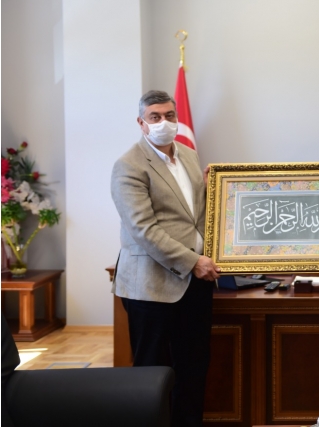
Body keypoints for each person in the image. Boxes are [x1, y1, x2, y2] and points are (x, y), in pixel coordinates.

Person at [111, 90, 220, 426]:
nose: (164, 122)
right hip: (151, 287)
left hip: (195, 284)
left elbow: (193, 214)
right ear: (141, 123)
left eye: (169, 115)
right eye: (155, 117)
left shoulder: (189, 156)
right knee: (152, 375)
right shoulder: (128, 165)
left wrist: (215, 187)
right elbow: (144, 229)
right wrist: (192, 261)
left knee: (194, 368)